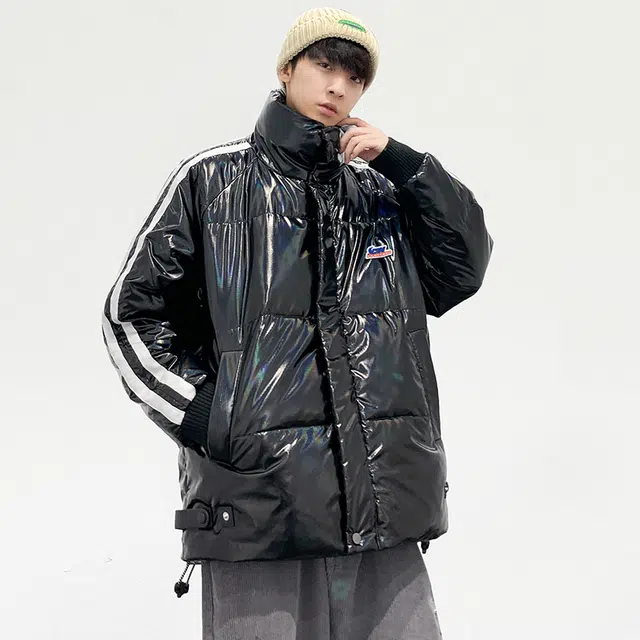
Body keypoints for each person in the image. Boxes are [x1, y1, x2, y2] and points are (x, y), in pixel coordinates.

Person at [102, 6, 493, 639]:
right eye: (324, 66)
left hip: (384, 505)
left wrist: (405, 164)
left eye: (355, 78)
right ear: (287, 69)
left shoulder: (378, 192)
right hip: (260, 504)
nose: (338, 87)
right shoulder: (212, 180)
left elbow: (463, 269)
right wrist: (208, 417)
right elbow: (129, 316)